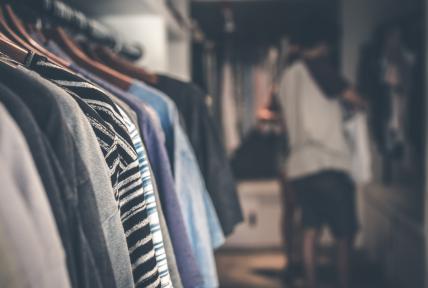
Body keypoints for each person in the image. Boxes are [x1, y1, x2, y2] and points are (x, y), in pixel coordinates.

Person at [278, 16, 366, 288]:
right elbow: (355, 98)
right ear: (324, 44)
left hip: (300, 165)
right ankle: (344, 282)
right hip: (327, 161)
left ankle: (311, 281)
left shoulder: (286, 77)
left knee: (310, 228)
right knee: (344, 232)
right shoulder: (319, 68)